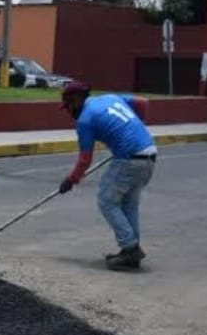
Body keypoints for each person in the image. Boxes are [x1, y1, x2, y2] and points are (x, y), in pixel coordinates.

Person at [58, 82, 157, 271]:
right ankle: (131, 251)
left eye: (68, 106)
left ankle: (130, 248)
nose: (68, 111)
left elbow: (85, 160)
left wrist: (71, 180)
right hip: (149, 153)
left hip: (129, 159)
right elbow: (143, 103)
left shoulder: (85, 120)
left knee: (106, 200)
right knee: (128, 204)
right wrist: (134, 130)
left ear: (77, 100)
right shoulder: (110, 98)